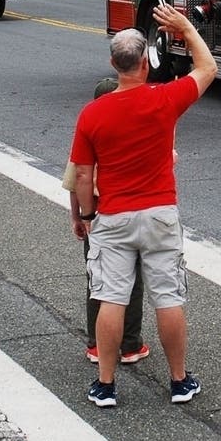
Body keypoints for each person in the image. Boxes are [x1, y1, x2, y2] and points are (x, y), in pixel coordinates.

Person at [71, 4, 217, 408]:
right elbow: (207, 68)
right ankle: (179, 381)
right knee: (167, 297)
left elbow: (83, 175)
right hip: (159, 214)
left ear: (114, 64)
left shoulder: (92, 113)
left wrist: (85, 216)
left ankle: (105, 384)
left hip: (113, 216)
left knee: (111, 297)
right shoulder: (165, 100)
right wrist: (185, 27)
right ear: (147, 65)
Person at [64, 77, 149, 367]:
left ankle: (97, 344)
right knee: (132, 281)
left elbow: (77, 181)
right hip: (128, 211)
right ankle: (129, 344)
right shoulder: (133, 132)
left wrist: (78, 216)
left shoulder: (87, 132)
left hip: (96, 214)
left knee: (98, 279)